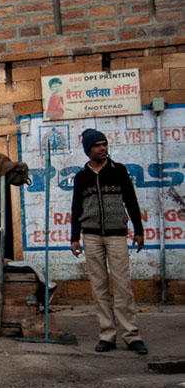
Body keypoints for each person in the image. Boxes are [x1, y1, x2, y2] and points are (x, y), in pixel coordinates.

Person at [70, 129, 148, 355]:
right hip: (91, 236)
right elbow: (76, 208)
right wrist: (75, 237)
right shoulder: (82, 177)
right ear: (88, 149)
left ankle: (132, 336)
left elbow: (131, 201)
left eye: (104, 144)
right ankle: (107, 335)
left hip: (116, 235)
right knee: (99, 288)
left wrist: (138, 230)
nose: (103, 148)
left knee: (123, 286)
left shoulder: (118, 171)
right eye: (97, 145)